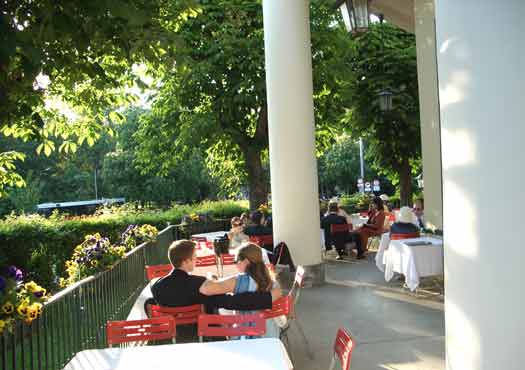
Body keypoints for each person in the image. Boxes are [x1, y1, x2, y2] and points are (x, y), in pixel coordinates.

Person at [151, 240, 280, 311]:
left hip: (172, 338)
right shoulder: (198, 284)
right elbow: (233, 302)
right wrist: (269, 298)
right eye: (195, 258)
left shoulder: (156, 286)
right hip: (203, 334)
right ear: (185, 261)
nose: (197, 260)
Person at [199, 243, 281, 338]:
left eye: (236, 261)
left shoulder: (240, 281)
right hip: (271, 334)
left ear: (246, 261)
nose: (235, 264)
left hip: (245, 335)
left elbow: (205, 289)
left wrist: (210, 278)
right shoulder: (272, 282)